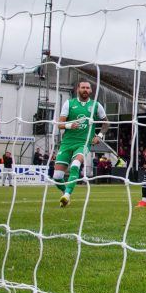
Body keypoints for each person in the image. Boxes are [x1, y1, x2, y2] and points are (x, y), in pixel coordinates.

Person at [53, 80, 108, 208]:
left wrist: (99, 136)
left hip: (83, 143)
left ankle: (66, 196)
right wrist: (69, 125)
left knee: (76, 165)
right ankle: (65, 191)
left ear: (91, 90)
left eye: (87, 88)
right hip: (67, 142)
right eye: (82, 87)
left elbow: (106, 123)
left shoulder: (96, 105)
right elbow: (59, 124)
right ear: (78, 89)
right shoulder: (69, 103)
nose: (85, 90)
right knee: (57, 176)